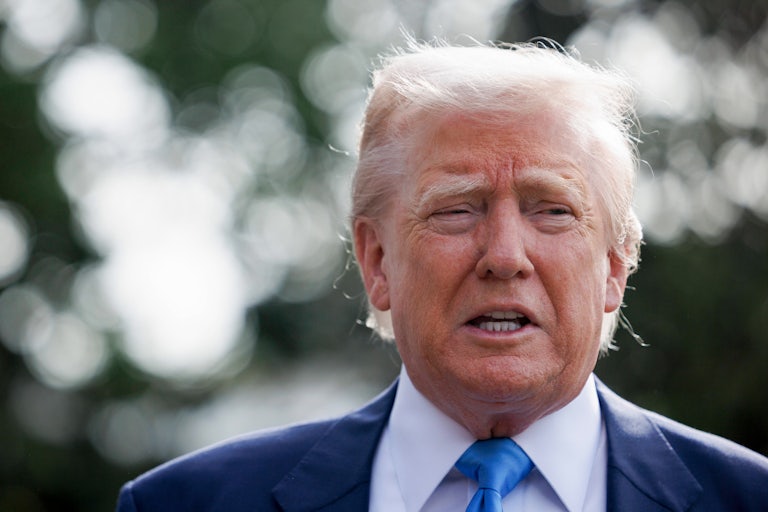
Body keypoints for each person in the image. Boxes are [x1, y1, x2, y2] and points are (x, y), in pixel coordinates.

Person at [116, 39, 768, 512]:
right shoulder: (186, 503)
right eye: (457, 210)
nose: (505, 255)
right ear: (377, 262)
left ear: (614, 269)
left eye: (552, 210)